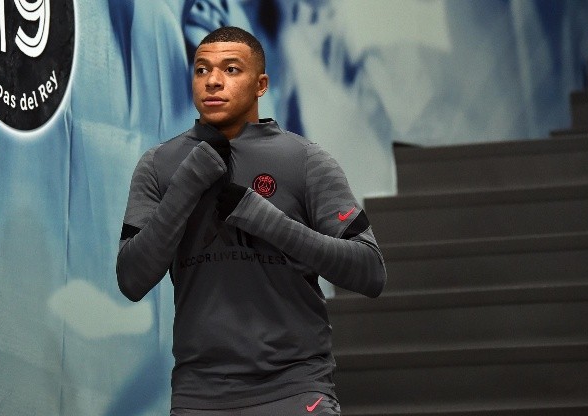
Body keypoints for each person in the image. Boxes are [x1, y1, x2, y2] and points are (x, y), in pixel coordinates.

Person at [116, 26, 386, 416]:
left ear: (260, 84)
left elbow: (370, 271)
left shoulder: (305, 160)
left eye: (230, 69)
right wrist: (186, 185)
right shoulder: (159, 166)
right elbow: (131, 279)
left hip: (294, 388)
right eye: (202, 70)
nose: (212, 81)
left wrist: (265, 219)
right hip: (199, 395)